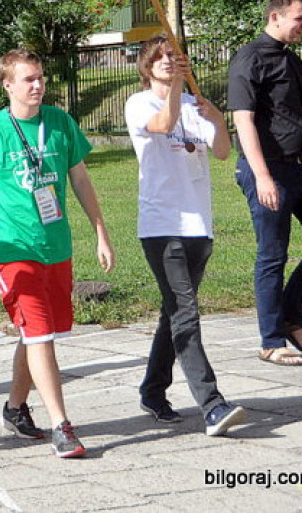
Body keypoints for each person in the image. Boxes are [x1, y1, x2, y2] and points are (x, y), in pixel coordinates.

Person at [0, 48, 115, 459]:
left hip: (56, 247)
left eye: (40, 77)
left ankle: (15, 408)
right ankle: (62, 424)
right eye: (28, 79)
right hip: (13, 250)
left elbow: (80, 179)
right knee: (41, 334)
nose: (37, 85)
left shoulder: (59, 123)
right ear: (7, 85)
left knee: (38, 332)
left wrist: (100, 231)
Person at [126, 36, 247, 436]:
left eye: (172, 57)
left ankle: (152, 390)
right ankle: (212, 405)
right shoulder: (139, 103)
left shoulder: (195, 105)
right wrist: (179, 85)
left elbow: (223, 152)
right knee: (185, 314)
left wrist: (214, 120)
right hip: (162, 227)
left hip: (199, 226)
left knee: (173, 314)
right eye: (158, 58)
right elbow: (162, 125)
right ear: (147, 67)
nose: (166, 62)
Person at [228, 0, 302, 366]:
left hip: (297, 167)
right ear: (275, 17)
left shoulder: (291, 60)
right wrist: (262, 176)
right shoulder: (250, 58)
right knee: (273, 255)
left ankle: (292, 317)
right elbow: (243, 120)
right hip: (267, 170)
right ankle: (272, 340)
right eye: (298, 19)